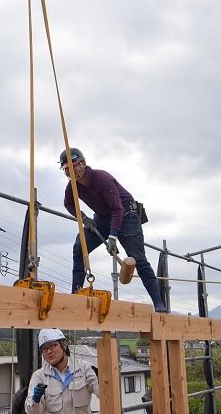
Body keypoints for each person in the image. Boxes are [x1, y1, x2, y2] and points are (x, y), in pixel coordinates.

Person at [60, 148, 167, 312]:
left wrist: (112, 236)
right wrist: (84, 218)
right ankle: (76, 294)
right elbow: (68, 203)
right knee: (79, 248)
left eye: (73, 166)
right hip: (102, 218)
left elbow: (117, 209)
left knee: (138, 259)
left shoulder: (102, 178)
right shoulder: (72, 187)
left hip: (127, 216)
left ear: (83, 163)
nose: (70, 171)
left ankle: (159, 305)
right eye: (66, 169)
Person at [25, 328, 98, 414]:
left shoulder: (84, 368)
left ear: (64, 344)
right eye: (44, 349)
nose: (48, 352)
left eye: (52, 346)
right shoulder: (39, 376)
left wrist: (103, 382)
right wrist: (35, 400)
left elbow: (103, 394)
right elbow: (33, 412)